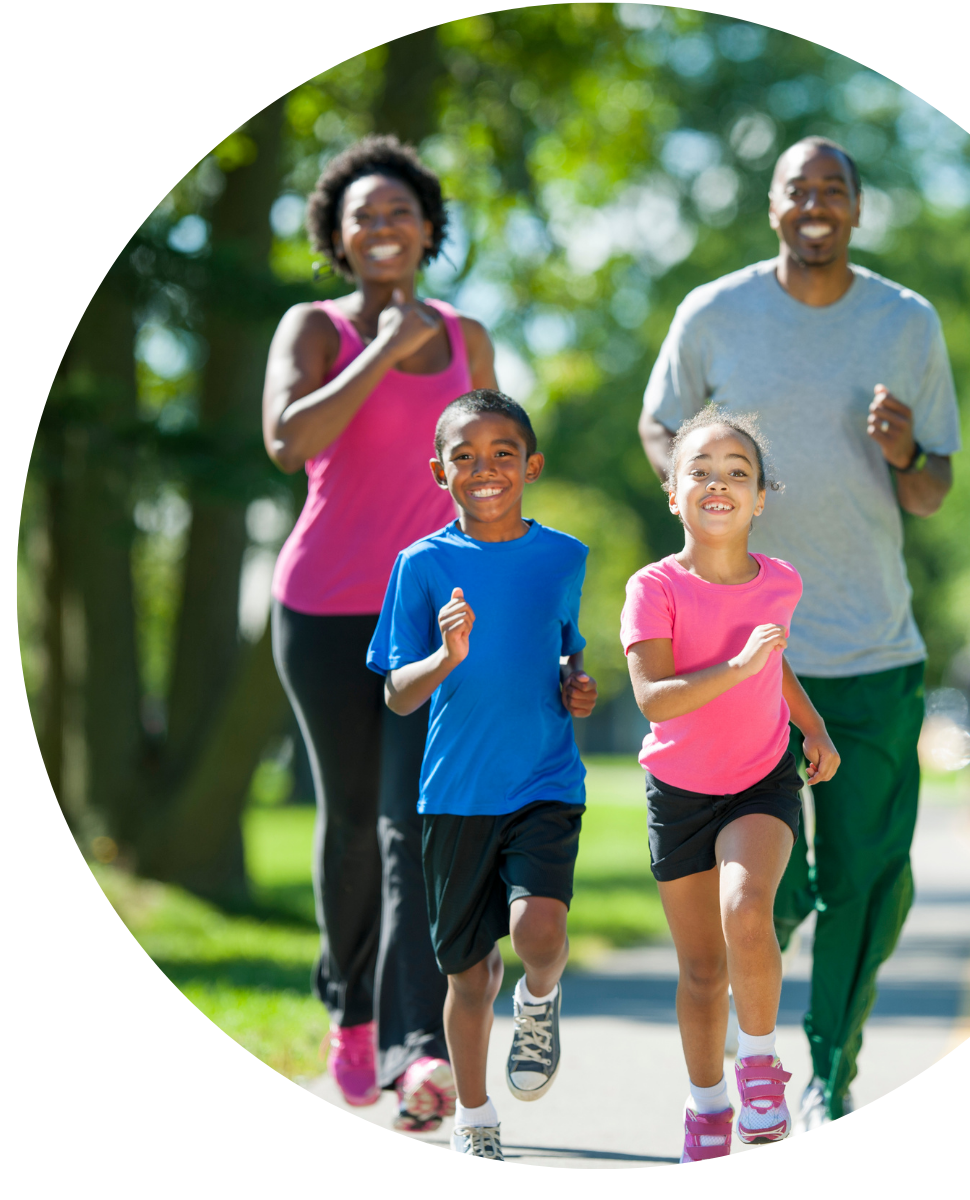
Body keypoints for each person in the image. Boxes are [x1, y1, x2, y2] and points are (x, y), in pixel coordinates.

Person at [638, 136, 961, 1126]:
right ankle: (763, 1026)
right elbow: (661, 425)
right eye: (797, 189)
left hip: (868, 649)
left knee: (869, 877)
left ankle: (830, 1066)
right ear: (772, 206)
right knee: (769, 889)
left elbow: (935, 487)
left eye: (835, 189)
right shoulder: (715, 313)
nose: (815, 203)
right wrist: (692, 496)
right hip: (741, 659)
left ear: (858, 210)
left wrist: (907, 448)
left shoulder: (906, 321)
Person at [263, 135, 498, 1129]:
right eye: (363, 214)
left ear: (430, 230)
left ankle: (415, 1051)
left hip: (427, 617)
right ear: (338, 237)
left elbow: (493, 472)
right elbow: (288, 443)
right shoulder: (312, 328)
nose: (383, 226)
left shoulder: (468, 336)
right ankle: (348, 1013)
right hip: (321, 607)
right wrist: (384, 356)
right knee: (352, 820)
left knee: (412, 824)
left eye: (400, 211)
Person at [367, 389, 598, 1160]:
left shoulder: (564, 556)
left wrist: (578, 685)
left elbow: (569, 650)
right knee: (467, 977)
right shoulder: (420, 565)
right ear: (440, 472)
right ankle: (476, 1119)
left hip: (545, 777)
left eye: (503, 454)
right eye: (463, 457)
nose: (484, 469)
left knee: (540, 929)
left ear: (531, 465)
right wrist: (446, 656)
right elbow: (398, 694)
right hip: (455, 793)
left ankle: (539, 999)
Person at [621, 407, 840, 1162]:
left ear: (760, 498)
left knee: (747, 908)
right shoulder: (654, 587)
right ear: (673, 493)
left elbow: (772, 662)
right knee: (702, 968)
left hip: (760, 779)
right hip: (678, 790)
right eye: (701, 471)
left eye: (738, 473)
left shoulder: (780, 581)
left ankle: (759, 1067)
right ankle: (707, 1108)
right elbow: (654, 696)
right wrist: (739, 669)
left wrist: (810, 726)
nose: (720, 483)